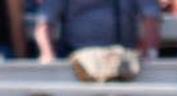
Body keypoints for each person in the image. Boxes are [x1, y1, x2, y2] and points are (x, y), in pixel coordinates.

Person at [33, 0, 162, 62]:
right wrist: (48, 55)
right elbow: (44, 25)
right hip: (75, 59)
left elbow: (151, 18)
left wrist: (150, 53)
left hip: (121, 60)